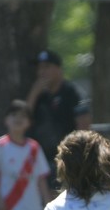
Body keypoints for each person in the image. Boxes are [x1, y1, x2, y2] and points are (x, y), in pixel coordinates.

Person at [26, 50, 91, 185]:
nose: (41, 72)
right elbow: (24, 118)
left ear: (58, 69)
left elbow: (83, 126)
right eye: (39, 68)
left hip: (65, 158)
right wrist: (34, 94)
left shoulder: (72, 92)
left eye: (46, 67)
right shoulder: (39, 97)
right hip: (41, 160)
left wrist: (76, 155)